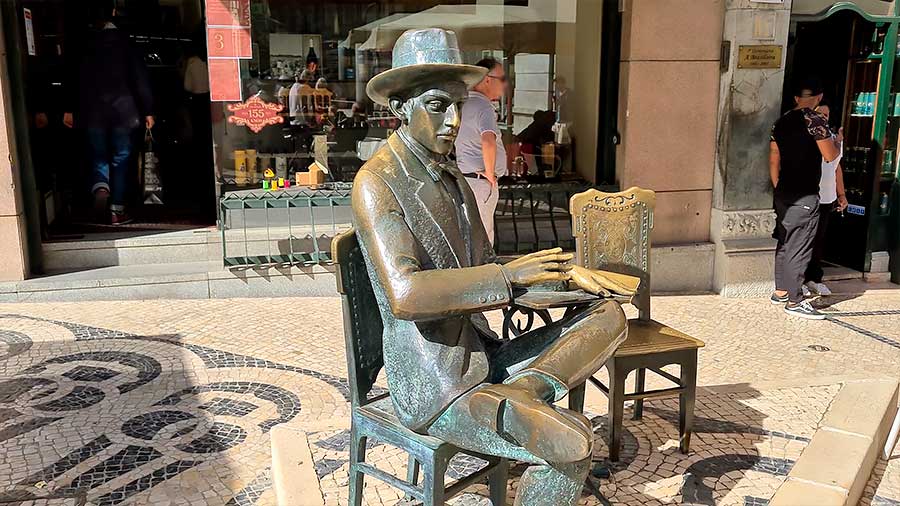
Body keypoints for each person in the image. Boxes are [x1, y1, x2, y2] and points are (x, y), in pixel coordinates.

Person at [354, 28, 633, 505]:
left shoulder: (457, 183)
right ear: (400, 107)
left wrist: (569, 280)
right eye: (438, 105)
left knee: (607, 316)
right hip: (437, 382)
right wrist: (507, 277)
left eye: (459, 105)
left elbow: (487, 270)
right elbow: (406, 294)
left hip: (481, 358)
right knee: (570, 445)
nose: (454, 120)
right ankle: (520, 408)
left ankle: (519, 395)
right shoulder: (377, 182)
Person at [64, 0, 154, 225]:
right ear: (113, 13)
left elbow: (73, 80)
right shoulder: (126, 43)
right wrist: (148, 111)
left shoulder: (83, 44)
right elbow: (140, 80)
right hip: (125, 113)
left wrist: (68, 108)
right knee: (122, 158)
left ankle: (101, 185)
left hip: (91, 113)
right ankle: (116, 210)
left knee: (98, 155)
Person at [769, 77, 840, 319]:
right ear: (819, 98)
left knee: (785, 240)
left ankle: (780, 291)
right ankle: (795, 300)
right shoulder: (815, 119)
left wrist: (778, 186)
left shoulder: (781, 122)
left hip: (784, 192)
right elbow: (830, 156)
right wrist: (837, 143)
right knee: (799, 247)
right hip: (806, 193)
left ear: (796, 98)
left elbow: (773, 158)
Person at [455, 57, 508, 246]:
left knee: (469, 233)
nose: (505, 84)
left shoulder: (464, 104)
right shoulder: (484, 106)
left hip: (468, 179)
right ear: (487, 79)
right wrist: (490, 174)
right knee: (484, 236)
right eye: (502, 79)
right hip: (480, 181)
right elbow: (488, 139)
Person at [803, 104, 848, 297]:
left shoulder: (834, 138)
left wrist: (842, 195)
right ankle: (799, 280)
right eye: (821, 113)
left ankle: (815, 278)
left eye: (827, 114)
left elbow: (837, 167)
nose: (825, 117)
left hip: (827, 197)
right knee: (803, 241)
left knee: (819, 240)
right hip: (808, 195)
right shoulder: (809, 136)